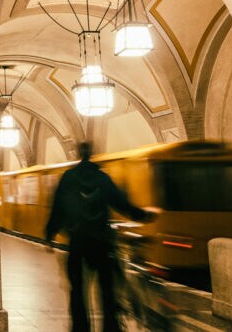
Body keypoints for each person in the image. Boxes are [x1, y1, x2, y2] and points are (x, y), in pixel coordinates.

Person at [45, 142, 157, 332]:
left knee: (78, 289)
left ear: (78, 154)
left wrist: (50, 233)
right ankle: (110, 326)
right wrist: (142, 215)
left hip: (78, 241)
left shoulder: (68, 178)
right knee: (106, 288)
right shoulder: (102, 178)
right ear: (92, 154)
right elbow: (121, 203)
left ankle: (80, 327)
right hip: (101, 241)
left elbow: (58, 207)